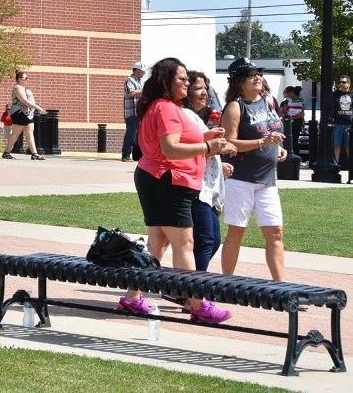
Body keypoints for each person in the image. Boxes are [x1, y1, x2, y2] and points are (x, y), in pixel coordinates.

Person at [117, 57, 234, 323]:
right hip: (167, 180)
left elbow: (171, 142)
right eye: (181, 78)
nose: (187, 82)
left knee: (157, 244)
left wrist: (207, 136)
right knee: (185, 244)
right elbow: (170, 148)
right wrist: (208, 148)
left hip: (156, 178)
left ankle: (132, 299)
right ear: (166, 82)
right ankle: (197, 303)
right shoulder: (167, 108)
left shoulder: (159, 106)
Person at [220, 58, 289, 281]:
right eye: (251, 75)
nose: (257, 77)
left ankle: (281, 286)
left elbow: (272, 131)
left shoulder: (269, 101)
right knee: (237, 232)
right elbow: (229, 143)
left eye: (259, 73)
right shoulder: (235, 106)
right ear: (239, 81)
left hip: (267, 181)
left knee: (275, 233)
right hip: (241, 179)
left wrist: (279, 147)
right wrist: (263, 143)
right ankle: (227, 282)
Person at [183, 70, 233, 272]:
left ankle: (188, 290)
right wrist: (218, 148)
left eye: (205, 88)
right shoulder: (185, 116)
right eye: (198, 88)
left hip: (209, 187)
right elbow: (183, 151)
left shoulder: (196, 117)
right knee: (205, 241)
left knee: (212, 241)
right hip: (196, 188)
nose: (204, 93)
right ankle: (195, 294)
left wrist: (218, 165)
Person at [1, 71, 45, 160]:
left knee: (29, 133)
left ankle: (34, 154)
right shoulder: (17, 88)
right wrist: (37, 107)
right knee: (15, 134)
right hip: (19, 113)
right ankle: (7, 152)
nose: (27, 80)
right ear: (20, 79)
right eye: (26, 78)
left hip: (27, 114)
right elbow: (24, 100)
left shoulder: (23, 88)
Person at [122, 62, 146, 162]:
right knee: (131, 134)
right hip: (131, 113)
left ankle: (136, 155)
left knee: (138, 135)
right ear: (136, 70)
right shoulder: (130, 80)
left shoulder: (139, 81)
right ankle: (125, 155)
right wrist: (147, 91)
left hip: (138, 113)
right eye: (142, 71)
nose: (143, 73)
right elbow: (132, 93)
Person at [280, 85, 305, 155]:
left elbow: (302, 114)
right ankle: (289, 156)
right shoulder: (284, 102)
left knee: (293, 141)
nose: (283, 93)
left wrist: (289, 117)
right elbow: (280, 113)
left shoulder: (298, 101)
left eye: (285, 92)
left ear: (290, 93)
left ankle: (294, 156)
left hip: (294, 124)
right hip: (291, 123)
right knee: (290, 141)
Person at [332, 75, 351, 167]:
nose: (341, 84)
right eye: (340, 82)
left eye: (343, 82)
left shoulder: (352, 95)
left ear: (349, 84)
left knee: (349, 147)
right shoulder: (335, 95)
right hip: (337, 124)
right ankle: (336, 165)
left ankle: (351, 167)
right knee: (336, 145)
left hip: (350, 125)